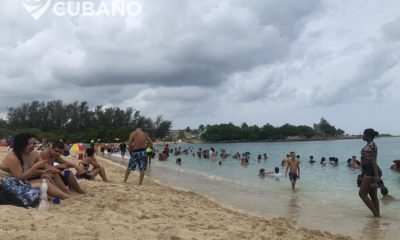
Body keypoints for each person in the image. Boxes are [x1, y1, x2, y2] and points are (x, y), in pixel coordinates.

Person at [0, 133, 72, 199]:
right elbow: (20, 177)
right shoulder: (12, 157)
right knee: (45, 183)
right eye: (30, 144)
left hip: (16, 182)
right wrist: (36, 167)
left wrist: (41, 171)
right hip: (8, 185)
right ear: (22, 144)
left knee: (46, 180)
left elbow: (23, 173)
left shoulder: (23, 155)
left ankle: (65, 195)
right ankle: (66, 197)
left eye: (34, 144)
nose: (33, 146)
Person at [359, 128, 382, 218]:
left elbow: (373, 160)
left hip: (371, 170)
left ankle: (376, 214)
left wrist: (376, 175)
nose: (362, 136)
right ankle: (378, 215)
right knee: (373, 195)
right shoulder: (370, 145)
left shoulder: (372, 145)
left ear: (368, 136)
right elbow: (365, 160)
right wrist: (362, 173)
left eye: (364, 134)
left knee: (362, 194)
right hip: (368, 170)